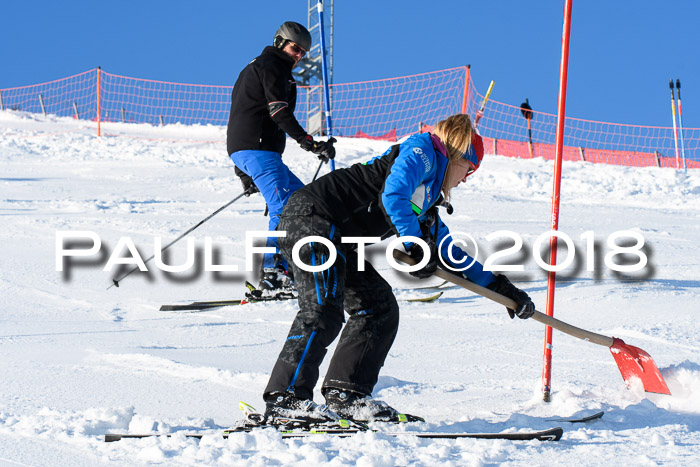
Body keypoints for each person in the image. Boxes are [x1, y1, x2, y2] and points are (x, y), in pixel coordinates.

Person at [261, 113, 535, 425]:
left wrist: (499, 287)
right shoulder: (423, 151)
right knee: (322, 308)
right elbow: (393, 195)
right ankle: (286, 399)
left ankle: (347, 395)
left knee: (378, 308)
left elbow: (447, 249)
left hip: (339, 238)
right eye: (469, 170)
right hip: (312, 218)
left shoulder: (428, 194)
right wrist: (415, 244)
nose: (465, 180)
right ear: (458, 155)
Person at [226, 21, 335, 295]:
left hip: (254, 151)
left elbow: (243, 113)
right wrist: (308, 142)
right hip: (258, 149)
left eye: (302, 53)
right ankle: (272, 273)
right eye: (295, 48)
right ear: (279, 43)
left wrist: (243, 172)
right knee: (284, 206)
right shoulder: (273, 66)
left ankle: (296, 266)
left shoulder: (258, 66)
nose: (298, 56)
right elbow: (278, 112)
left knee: (304, 201)